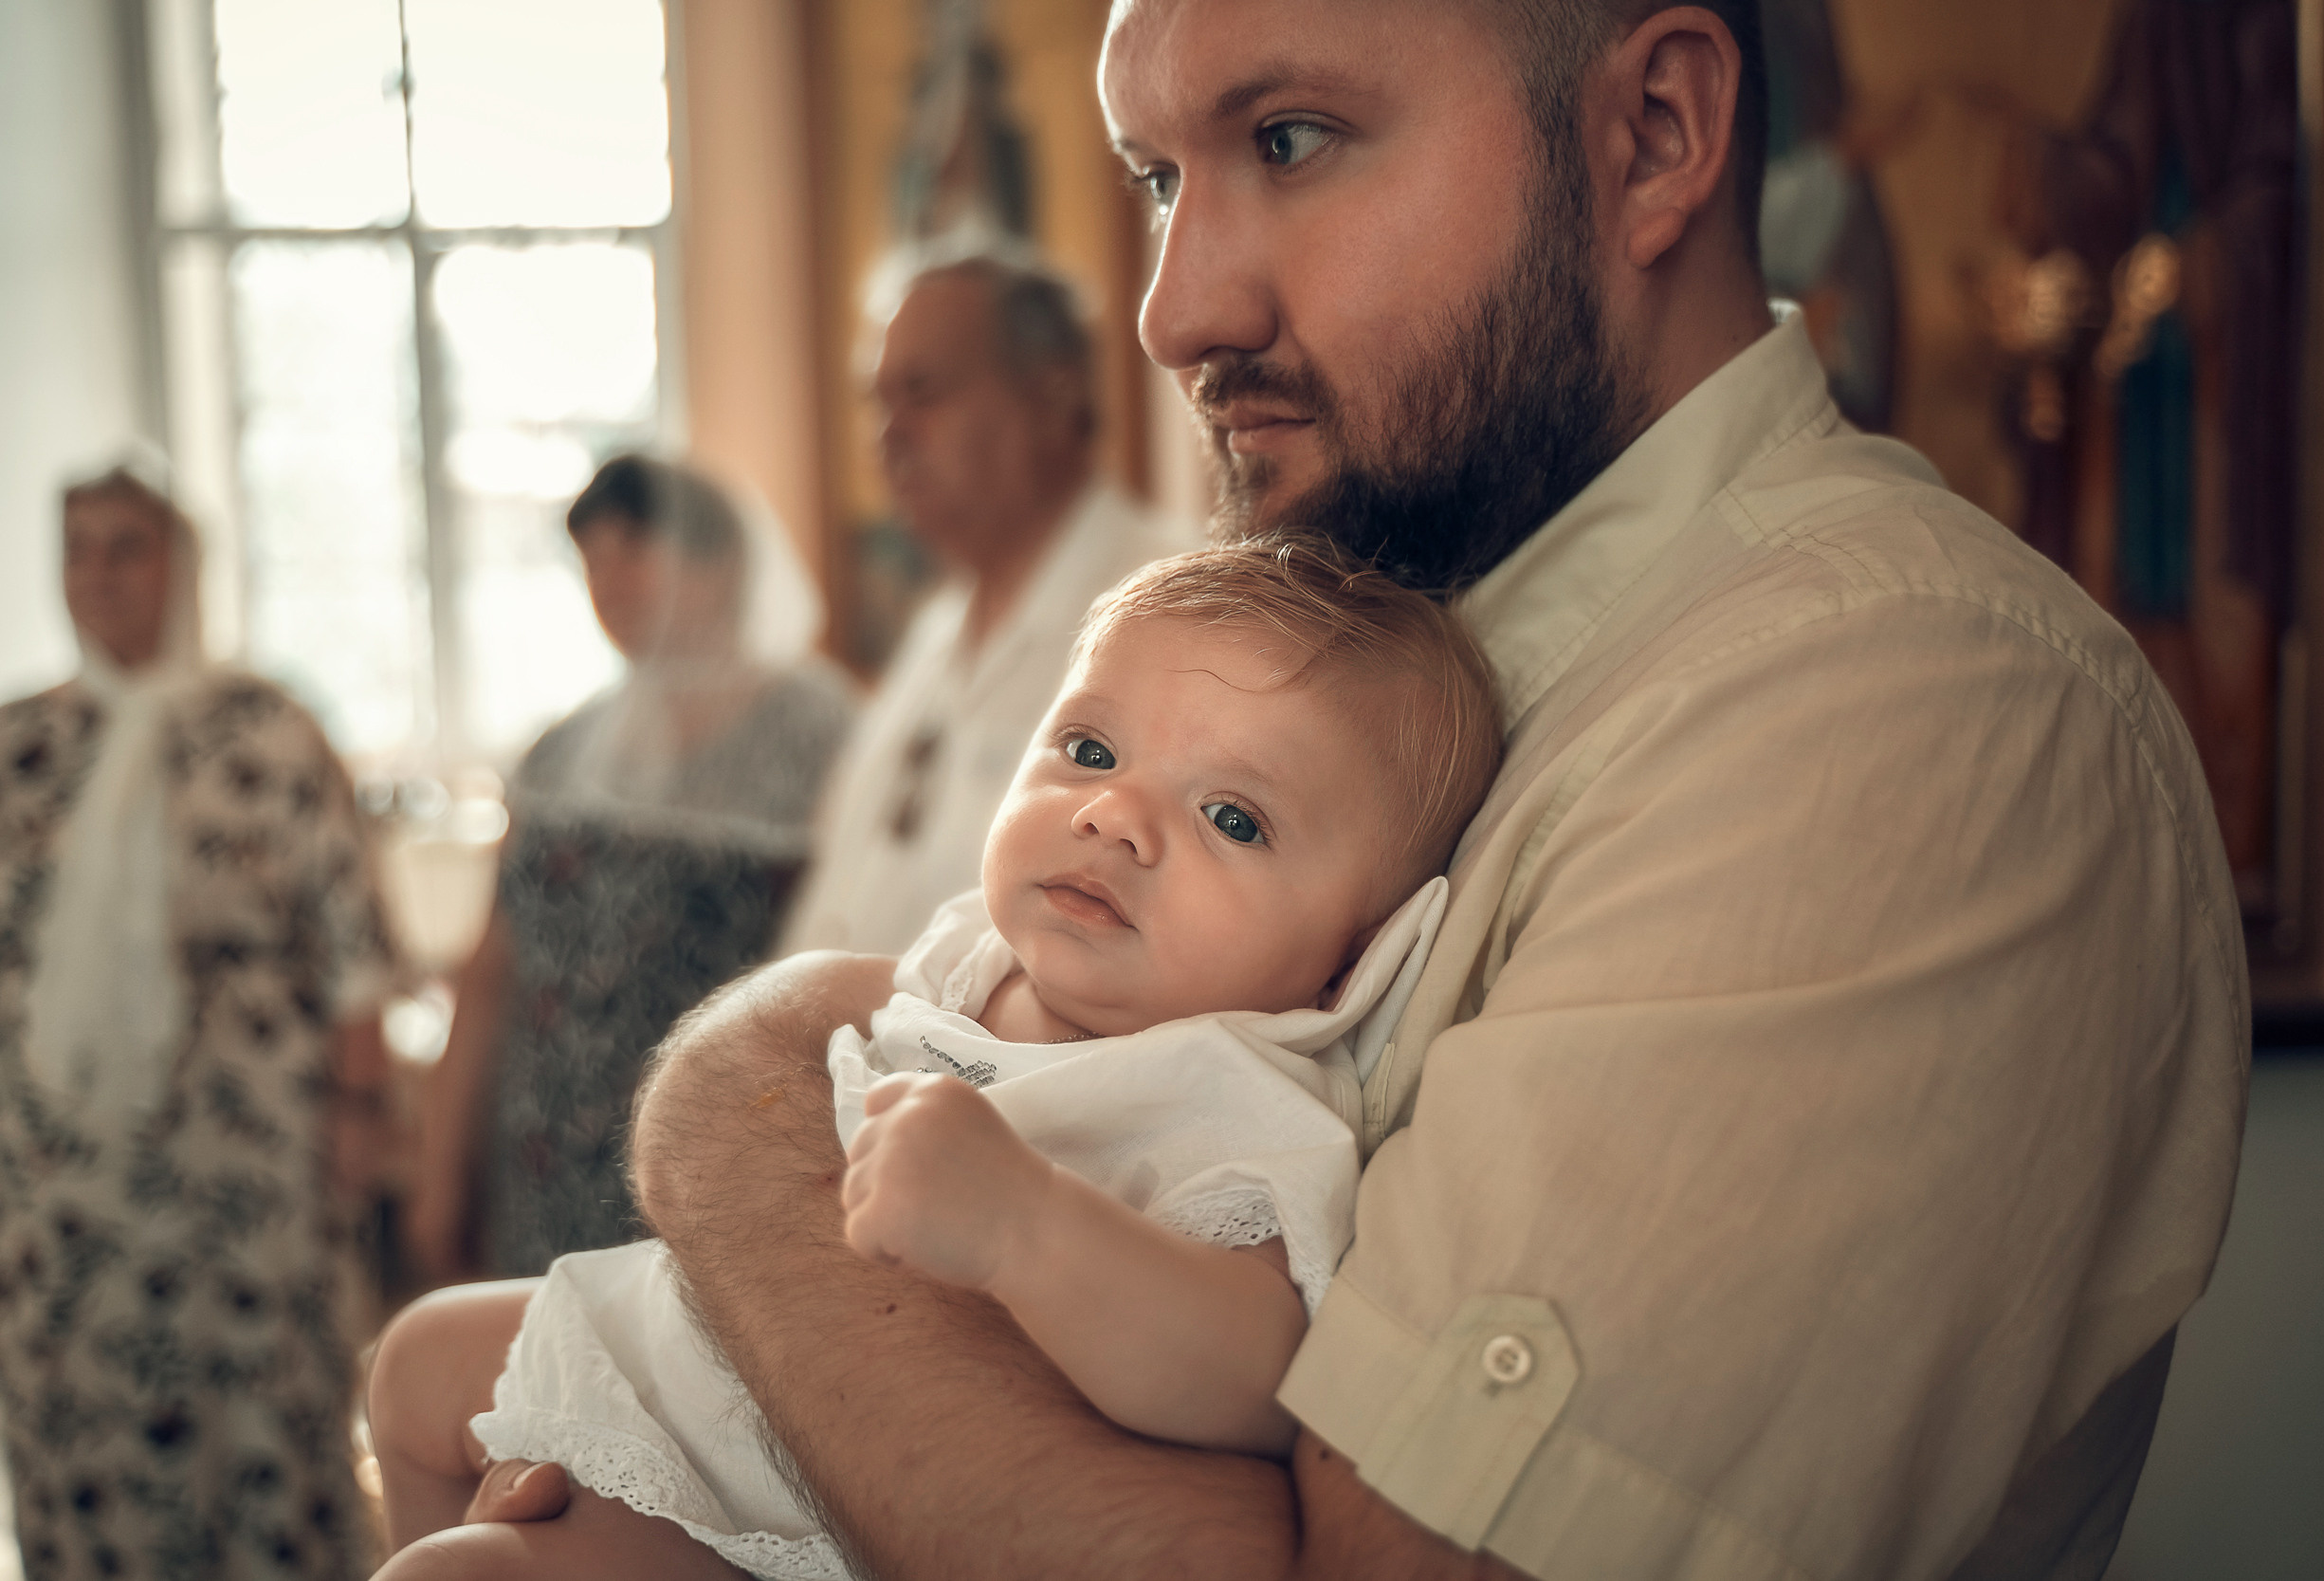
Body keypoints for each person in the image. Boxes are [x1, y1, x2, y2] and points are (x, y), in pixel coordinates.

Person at [479, 3, 2251, 1577]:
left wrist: (752, 1094)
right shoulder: (1368, 652)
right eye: (1164, 175)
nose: (1177, 308)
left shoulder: (1906, 703)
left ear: (1656, 137)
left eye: (1291, 139)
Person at [363, 542, 1502, 1580]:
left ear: (1351, 964)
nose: (1113, 813)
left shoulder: (1234, 1097)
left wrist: (1029, 1226)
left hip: (789, 1483)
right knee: (413, 1361)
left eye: (1233, 818)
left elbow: (1257, 1374)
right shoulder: (973, 952)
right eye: (1090, 748)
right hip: (709, 1346)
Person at [0, 467, 399, 1579]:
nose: (101, 573)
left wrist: (361, 1121)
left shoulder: (267, 729)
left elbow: (356, 954)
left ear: (182, 566)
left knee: (264, 1423)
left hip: (248, 1156)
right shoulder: (20, 744)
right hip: (61, 1171)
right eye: (78, 547)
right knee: (82, 1421)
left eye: (129, 546)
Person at [407, 456, 851, 1281]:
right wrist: (442, 1172)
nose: (609, 582)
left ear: (720, 565)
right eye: (592, 559)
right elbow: (493, 966)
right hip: (538, 1165)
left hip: (708, 1164)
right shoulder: (562, 748)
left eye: (634, 551)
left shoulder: (815, 732)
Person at [781, 243, 1192, 957]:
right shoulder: (940, 624)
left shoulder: (1170, 606)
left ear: (1053, 393)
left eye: (923, 392)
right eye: (878, 401)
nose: (890, 434)